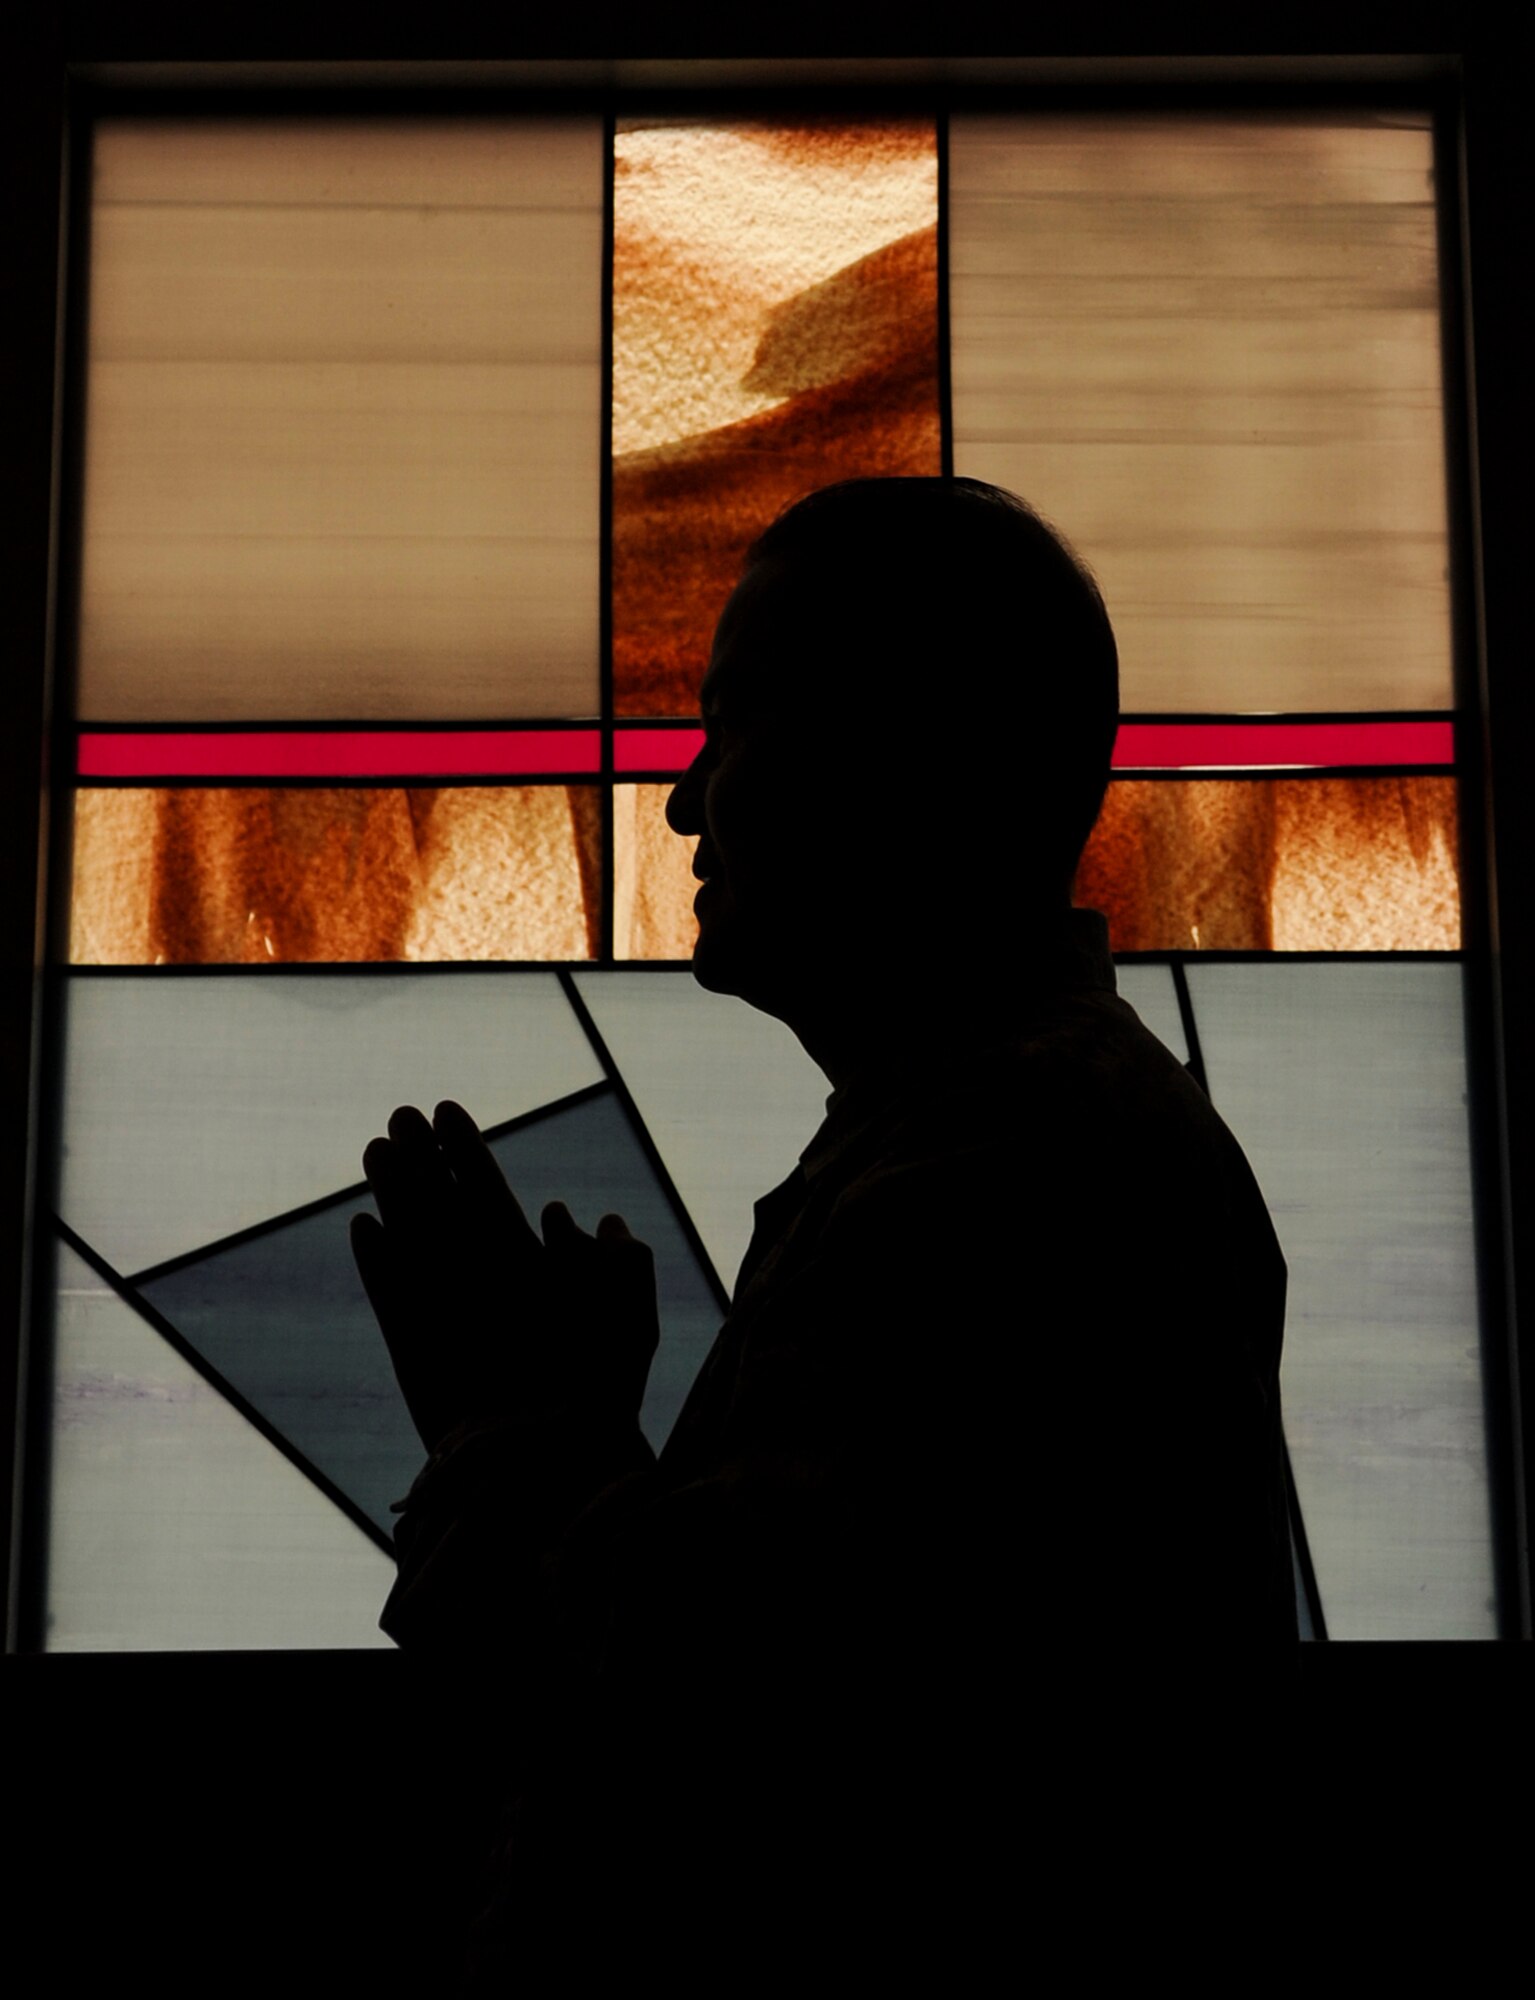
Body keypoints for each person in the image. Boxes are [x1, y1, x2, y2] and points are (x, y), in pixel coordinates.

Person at [351, 477, 1296, 1961]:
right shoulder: (1003, 1131)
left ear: (908, 754)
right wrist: (588, 1444)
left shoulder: (1014, 1175)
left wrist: (513, 1433)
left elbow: (748, 1737)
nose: (679, 798)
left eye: (734, 725)